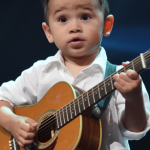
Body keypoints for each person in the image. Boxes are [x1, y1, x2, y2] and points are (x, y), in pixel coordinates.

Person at [0, 0, 150, 149]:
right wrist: (12, 122)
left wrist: (134, 99)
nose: (74, 27)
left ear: (106, 25)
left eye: (85, 17)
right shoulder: (41, 72)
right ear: (49, 32)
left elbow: (135, 131)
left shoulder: (124, 78)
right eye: (63, 19)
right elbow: (3, 99)